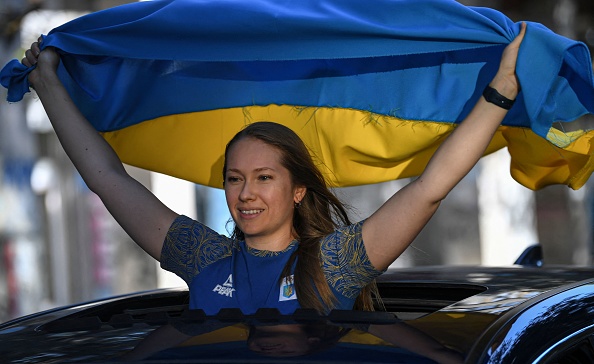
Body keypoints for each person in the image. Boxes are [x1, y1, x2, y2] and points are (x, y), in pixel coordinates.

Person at [21, 22, 526, 315]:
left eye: (264, 178)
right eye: (235, 179)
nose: (245, 194)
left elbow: (428, 189)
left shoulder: (333, 265)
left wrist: (500, 93)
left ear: (299, 190)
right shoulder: (202, 257)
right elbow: (107, 179)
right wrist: (48, 85)